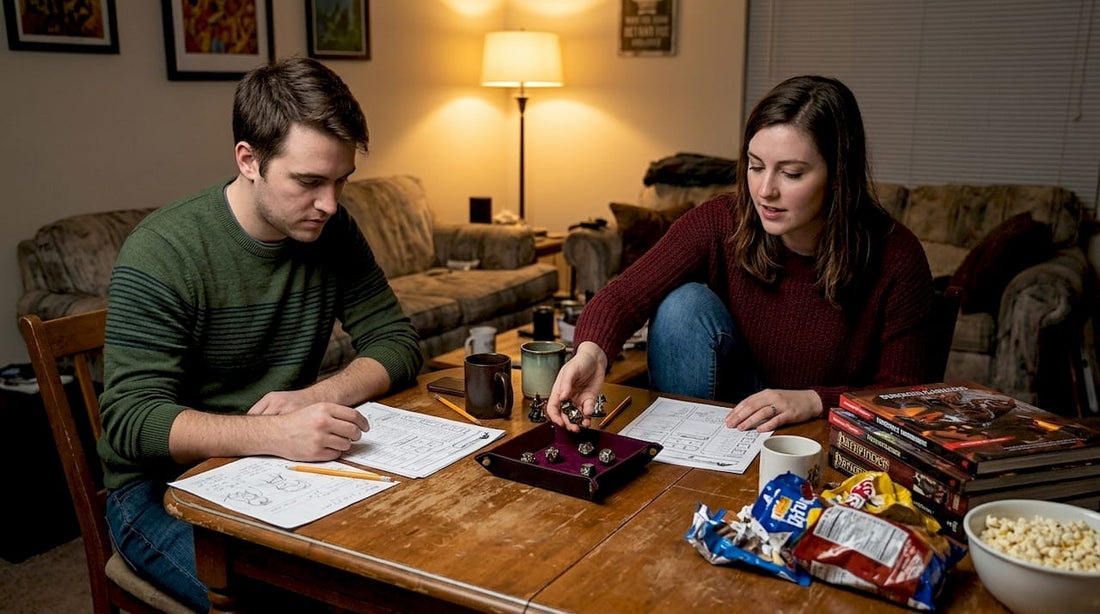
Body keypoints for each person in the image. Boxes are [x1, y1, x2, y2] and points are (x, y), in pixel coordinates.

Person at [97, 57, 423, 610]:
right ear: (248, 160)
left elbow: (397, 341)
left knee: (399, 563)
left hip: (277, 472)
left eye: (341, 181)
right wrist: (273, 435)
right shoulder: (164, 251)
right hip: (158, 491)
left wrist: (316, 398)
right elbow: (129, 420)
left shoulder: (332, 230)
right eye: (308, 181)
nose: (330, 203)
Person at [546, 75, 937, 434]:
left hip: (823, 425)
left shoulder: (896, 255)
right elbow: (624, 294)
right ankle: (684, 457)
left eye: (792, 173)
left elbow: (904, 394)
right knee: (683, 304)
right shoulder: (720, 220)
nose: (765, 190)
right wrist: (592, 353)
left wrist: (814, 400)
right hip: (728, 413)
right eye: (755, 166)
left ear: (838, 175)